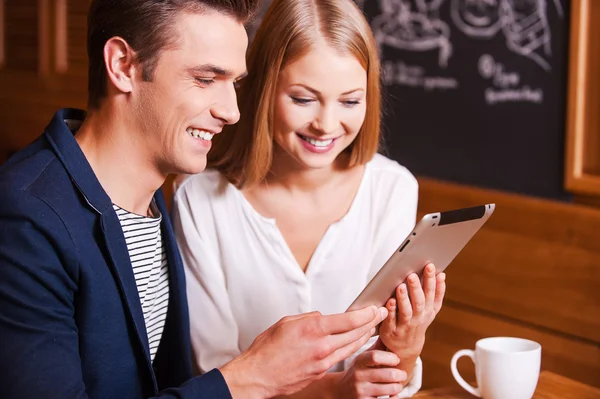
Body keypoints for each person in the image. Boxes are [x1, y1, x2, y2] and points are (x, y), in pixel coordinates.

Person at [0, 1, 390, 398]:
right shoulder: (24, 217)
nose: (232, 111)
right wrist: (249, 377)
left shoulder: (150, 198)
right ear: (122, 65)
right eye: (205, 79)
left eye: (234, 83)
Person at [172, 0, 447, 397]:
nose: (327, 124)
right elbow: (213, 377)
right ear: (265, 89)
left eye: (350, 101)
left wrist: (406, 344)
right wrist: (335, 389)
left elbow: (385, 380)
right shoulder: (199, 200)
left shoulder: (392, 188)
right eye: (303, 99)